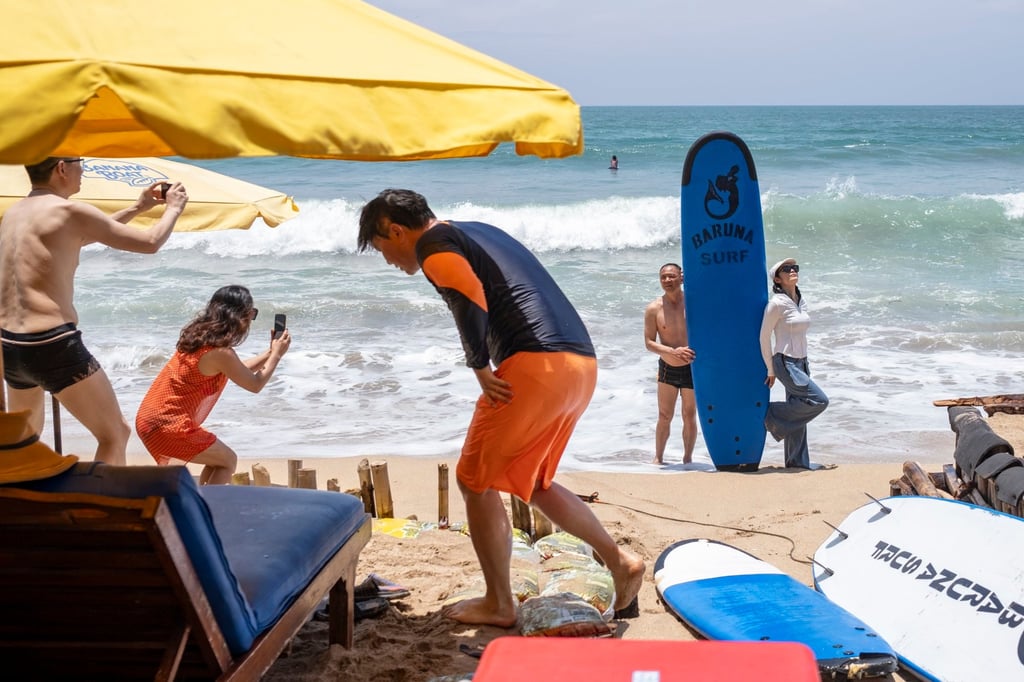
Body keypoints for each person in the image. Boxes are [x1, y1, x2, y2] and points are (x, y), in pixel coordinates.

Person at [357, 189, 645, 627]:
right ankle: (619, 562)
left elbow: (468, 295)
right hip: (579, 365)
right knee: (537, 483)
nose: (388, 260)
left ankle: (499, 602)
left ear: (396, 230)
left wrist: (478, 365)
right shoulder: (478, 230)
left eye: (382, 248)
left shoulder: (432, 245)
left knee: (474, 481)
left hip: (534, 366)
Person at [0, 156, 188, 465]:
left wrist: (138, 208)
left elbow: (80, 237)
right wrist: (174, 208)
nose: (83, 169)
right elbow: (150, 242)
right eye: (78, 162)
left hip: (11, 345)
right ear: (61, 168)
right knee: (115, 434)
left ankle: (23, 508)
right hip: (52, 345)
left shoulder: (15, 213)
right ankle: (102, 509)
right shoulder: (70, 210)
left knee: (27, 442)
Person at [135, 285, 291, 485]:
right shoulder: (220, 352)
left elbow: (238, 370)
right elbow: (255, 384)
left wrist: (270, 353)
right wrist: (277, 356)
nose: (250, 320)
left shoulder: (199, 338)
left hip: (150, 419)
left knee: (218, 462)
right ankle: (210, 511)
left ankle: (203, 506)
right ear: (238, 316)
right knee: (228, 460)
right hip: (167, 424)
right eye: (251, 314)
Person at [759, 258, 829, 469]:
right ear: (778, 279)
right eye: (786, 269)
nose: (792, 271)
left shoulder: (800, 300)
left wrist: (805, 362)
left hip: (801, 362)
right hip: (785, 362)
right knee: (818, 401)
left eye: (794, 268)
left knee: (798, 413)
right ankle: (769, 414)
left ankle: (796, 462)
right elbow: (764, 337)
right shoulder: (776, 304)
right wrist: (770, 369)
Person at [644, 263, 697, 465]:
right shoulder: (653, 309)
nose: (667, 280)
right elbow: (649, 342)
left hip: (692, 367)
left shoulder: (693, 304)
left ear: (681, 278)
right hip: (667, 367)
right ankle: (658, 458)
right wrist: (672, 351)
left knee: (689, 414)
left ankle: (687, 459)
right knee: (664, 415)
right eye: (663, 277)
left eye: (671, 276)